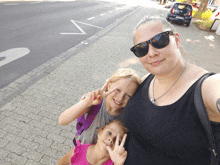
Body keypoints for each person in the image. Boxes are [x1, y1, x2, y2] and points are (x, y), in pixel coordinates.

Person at [122, 16, 220, 164]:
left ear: (177, 40)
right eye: (141, 48)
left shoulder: (205, 87)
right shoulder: (149, 78)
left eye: (160, 40)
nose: (151, 53)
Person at [59, 68, 141, 145]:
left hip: (105, 158)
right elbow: (62, 120)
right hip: (84, 152)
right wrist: (87, 102)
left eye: (128, 95)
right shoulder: (94, 103)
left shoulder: (127, 116)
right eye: (118, 90)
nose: (120, 98)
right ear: (109, 85)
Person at [57, 119, 128, 165]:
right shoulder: (77, 152)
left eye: (117, 140)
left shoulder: (114, 163)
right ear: (100, 131)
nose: (111, 139)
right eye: (109, 133)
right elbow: (63, 162)